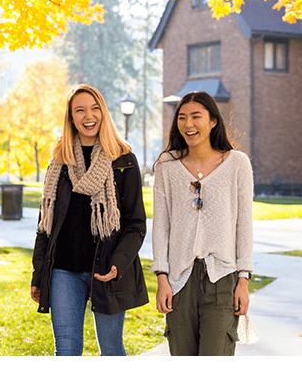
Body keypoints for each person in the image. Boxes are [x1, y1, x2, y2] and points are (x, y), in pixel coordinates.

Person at [30, 84, 148, 356]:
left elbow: (135, 224)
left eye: (94, 108)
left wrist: (118, 265)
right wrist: (39, 275)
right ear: (70, 117)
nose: (88, 116)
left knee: (110, 349)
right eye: (79, 110)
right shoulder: (59, 161)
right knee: (67, 351)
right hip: (63, 271)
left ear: (103, 113)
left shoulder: (123, 160)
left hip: (106, 269)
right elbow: (45, 225)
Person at [151, 91, 254, 356]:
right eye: (182, 118)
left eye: (196, 117)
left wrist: (243, 280)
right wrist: (162, 277)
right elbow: (161, 225)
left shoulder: (238, 164)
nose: (188, 125)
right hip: (179, 282)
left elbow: (244, 225)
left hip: (222, 280)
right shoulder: (167, 165)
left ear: (213, 122)